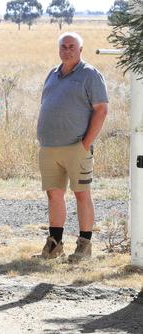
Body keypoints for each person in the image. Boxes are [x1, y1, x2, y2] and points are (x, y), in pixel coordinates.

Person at [36, 32, 108, 261]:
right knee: (54, 195)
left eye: (72, 46)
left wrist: (85, 144)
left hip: (76, 147)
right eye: (63, 46)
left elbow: (101, 109)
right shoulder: (52, 74)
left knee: (81, 195)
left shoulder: (90, 74)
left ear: (80, 50)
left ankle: (84, 246)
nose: (67, 50)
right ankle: (55, 245)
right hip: (49, 148)